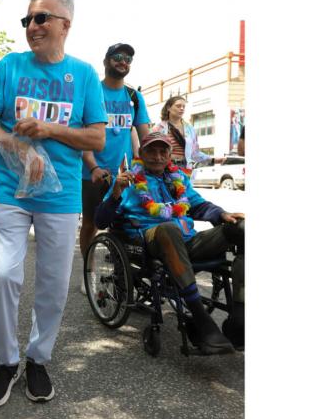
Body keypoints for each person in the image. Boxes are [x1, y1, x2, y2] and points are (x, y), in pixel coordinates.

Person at [0, 0, 106, 407]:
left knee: (52, 283)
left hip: (62, 195)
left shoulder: (83, 76)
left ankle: (38, 358)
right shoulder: (10, 66)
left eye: (43, 18)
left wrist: (49, 131)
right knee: (2, 273)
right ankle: (5, 361)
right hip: (11, 191)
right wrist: (14, 143)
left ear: (66, 25)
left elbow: (96, 136)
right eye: (28, 20)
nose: (33, 27)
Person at [94, 131, 245, 352]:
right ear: (141, 154)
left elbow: (199, 205)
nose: (157, 156)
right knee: (169, 229)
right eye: (151, 151)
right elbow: (101, 220)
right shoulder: (129, 180)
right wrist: (116, 191)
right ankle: (202, 321)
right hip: (150, 240)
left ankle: (239, 318)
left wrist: (222, 215)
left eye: (162, 151)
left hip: (188, 241)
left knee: (240, 229)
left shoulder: (178, 178)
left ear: (169, 155)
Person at [79, 42, 151, 275]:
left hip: (125, 174)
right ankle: (88, 272)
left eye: (128, 59)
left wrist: (150, 164)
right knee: (90, 224)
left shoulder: (134, 96)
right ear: (106, 61)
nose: (123, 62)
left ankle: (122, 273)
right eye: (118, 57)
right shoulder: (93, 92)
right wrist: (92, 167)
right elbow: (82, 135)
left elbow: (145, 135)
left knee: (124, 223)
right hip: (92, 172)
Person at [151, 95, 211, 170]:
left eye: (183, 106)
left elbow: (195, 153)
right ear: (168, 108)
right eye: (178, 106)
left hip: (185, 168)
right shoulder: (158, 128)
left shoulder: (190, 129)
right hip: (166, 168)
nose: (182, 108)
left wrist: (212, 160)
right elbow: (152, 151)